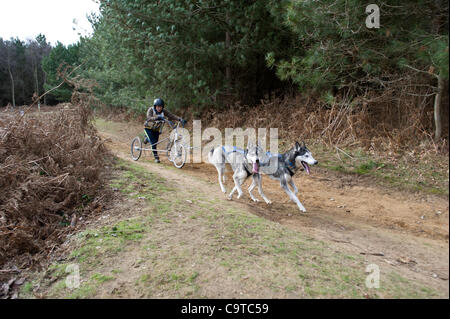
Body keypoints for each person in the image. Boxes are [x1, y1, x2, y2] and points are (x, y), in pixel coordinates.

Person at [144, 98, 186, 163]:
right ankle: (156, 157)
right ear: (155, 106)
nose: (159, 108)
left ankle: (147, 139)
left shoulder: (164, 111)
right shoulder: (151, 110)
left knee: (156, 142)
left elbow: (171, 116)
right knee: (153, 143)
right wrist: (157, 117)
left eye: (160, 107)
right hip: (148, 128)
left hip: (156, 129)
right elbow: (149, 118)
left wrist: (180, 119)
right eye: (158, 106)